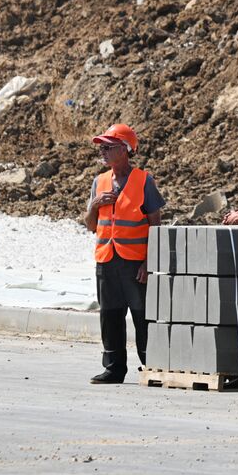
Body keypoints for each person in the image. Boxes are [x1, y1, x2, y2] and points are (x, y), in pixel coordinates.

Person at [83, 123, 164, 384]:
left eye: (108, 147)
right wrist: (95, 205)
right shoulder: (100, 181)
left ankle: (151, 365)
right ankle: (114, 368)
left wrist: (147, 262)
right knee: (110, 315)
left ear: (125, 150)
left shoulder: (144, 181)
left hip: (133, 263)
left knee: (142, 316)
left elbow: (156, 224)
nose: (103, 152)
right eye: (101, 147)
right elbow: (91, 224)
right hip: (106, 259)